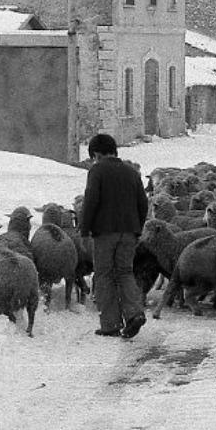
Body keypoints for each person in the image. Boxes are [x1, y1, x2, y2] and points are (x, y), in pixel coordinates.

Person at [78, 133, 150, 339]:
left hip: (104, 233)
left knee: (104, 275)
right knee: (125, 272)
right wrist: (137, 228)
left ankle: (110, 324)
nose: (94, 160)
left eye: (93, 156)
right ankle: (134, 313)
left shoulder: (97, 171)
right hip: (129, 232)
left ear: (97, 154)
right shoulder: (131, 172)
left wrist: (84, 231)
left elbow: (91, 202)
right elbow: (143, 204)